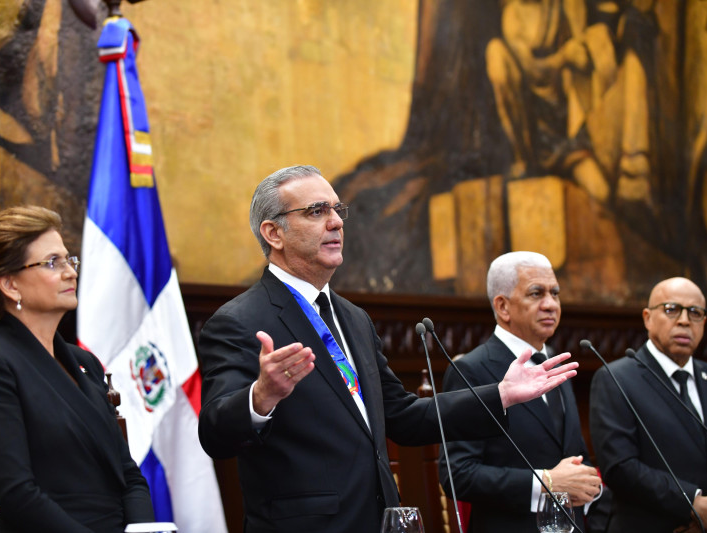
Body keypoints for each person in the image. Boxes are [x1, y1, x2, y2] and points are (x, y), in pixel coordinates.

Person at [197, 165, 579, 533]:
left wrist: (500, 395)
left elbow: (404, 416)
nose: (336, 222)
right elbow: (215, 434)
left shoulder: (354, 318)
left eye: (336, 209)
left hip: (379, 519)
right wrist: (260, 397)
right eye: (316, 211)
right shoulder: (239, 321)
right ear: (273, 233)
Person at [0, 206, 155, 533]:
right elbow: (17, 495)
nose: (71, 272)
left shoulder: (85, 363)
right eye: (52, 262)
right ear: (10, 285)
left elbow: (129, 475)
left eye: (69, 259)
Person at [437, 251, 601, 532]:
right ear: (503, 307)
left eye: (555, 293)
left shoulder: (555, 364)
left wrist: (588, 486)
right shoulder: (472, 370)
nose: (551, 304)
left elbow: (573, 456)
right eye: (536, 293)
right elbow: (457, 474)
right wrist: (546, 483)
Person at [590, 277, 707, 533]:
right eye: (671, 309)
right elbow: (620, 467)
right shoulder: (615, 378)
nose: (684, 320)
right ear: (648, 317)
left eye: (695, 312)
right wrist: (693, 505)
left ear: (704, 323)